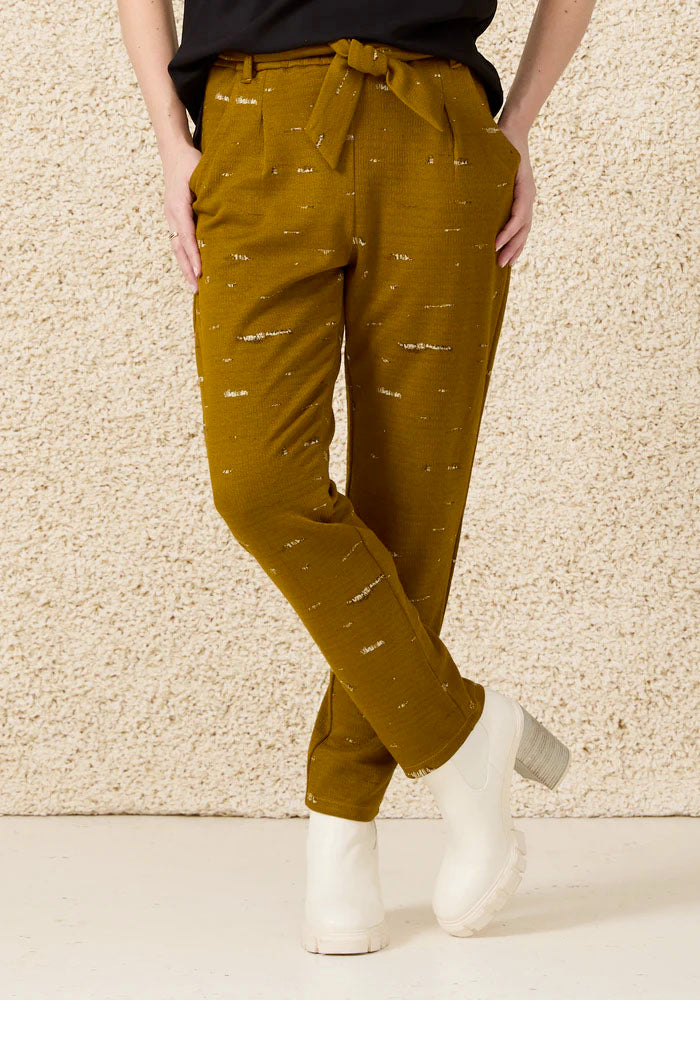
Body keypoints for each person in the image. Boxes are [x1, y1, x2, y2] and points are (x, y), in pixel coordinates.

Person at [118, 0, 597, 954]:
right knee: (258, 485)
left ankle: (341, 826)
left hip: (437, 130)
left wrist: (515, 128)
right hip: (252, 126)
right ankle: (465, 736)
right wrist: (171, 141)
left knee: (412, 502)